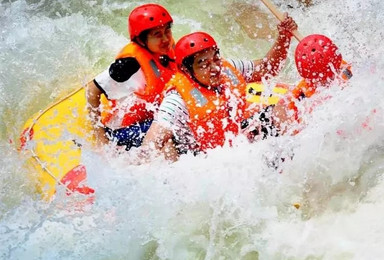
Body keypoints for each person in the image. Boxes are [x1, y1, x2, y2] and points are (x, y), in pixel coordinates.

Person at [141, 15, 298, 161]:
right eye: (204, 64)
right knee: (167, 148)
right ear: (187, 71)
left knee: (280, 110)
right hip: (202, 158)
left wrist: (284, 37)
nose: (215, 68)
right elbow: (150, 145)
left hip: (232, 140)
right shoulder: (177, 100)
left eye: (215, 58)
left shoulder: (227, 68)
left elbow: (268, 68)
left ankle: (289, 161)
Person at [86, 3, 177, 150]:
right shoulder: (129, 65)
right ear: (141, 40)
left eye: (167, 31)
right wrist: (99, 135)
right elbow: (92, 90)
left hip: (153, 118)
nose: (165, 39)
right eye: (157, 35)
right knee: (174, 135)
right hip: (122, 129)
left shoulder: (167, 49)